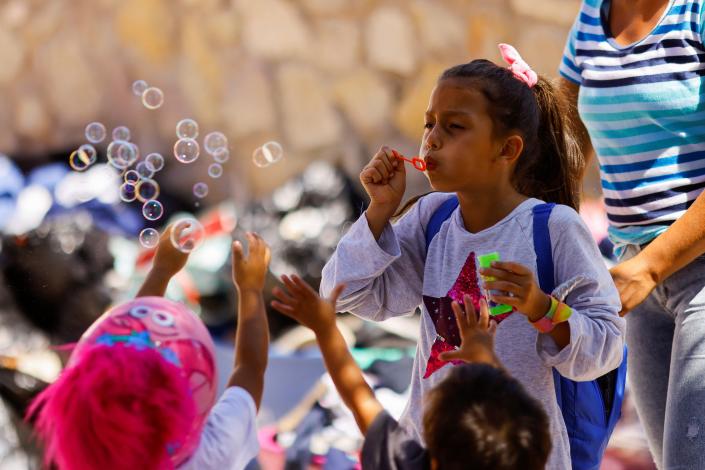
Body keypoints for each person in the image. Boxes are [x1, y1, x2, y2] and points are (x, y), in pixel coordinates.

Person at [319, 44, 626, 469]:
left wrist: (541, 307)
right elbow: (345, 295)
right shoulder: (432, 216)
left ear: (507, 150)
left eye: (454, 126)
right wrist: (379, 211)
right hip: (432, 452)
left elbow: (604, 350)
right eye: (429, 124)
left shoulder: (553, 228)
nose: (432, 139)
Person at [559, 1, 705, 467]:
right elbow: (564, 136)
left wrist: (649, 266)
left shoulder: (695, 12)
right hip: (637, 281)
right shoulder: (591, 17)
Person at [28, 225, 271, 470]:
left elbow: (249, 369)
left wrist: (161, 271)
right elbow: (250, 369)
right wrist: (250, 289)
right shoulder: (211, 453)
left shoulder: (88, 453)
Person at [271, 274, 551, 470]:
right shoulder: (524, 455)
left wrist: (325, 329)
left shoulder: (405, 463)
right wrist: (486, 354)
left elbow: (360, 400)